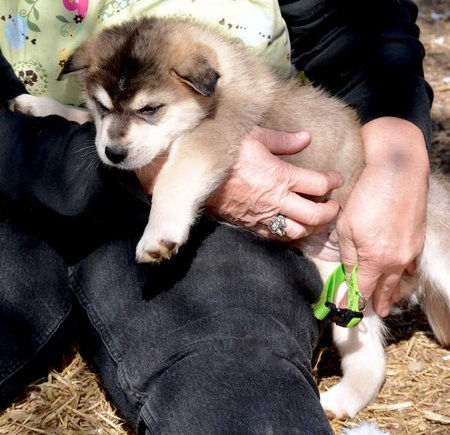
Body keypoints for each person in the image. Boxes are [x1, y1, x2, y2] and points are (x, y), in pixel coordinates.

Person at [0, 1, 432, 433]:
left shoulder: (208, 81)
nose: (114, 139)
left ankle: (355, 372)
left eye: (150, 111)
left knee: (235, 383)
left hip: (232, 230)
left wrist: (398, 146)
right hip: (18, 193)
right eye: (101, 109)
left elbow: (354, 27)